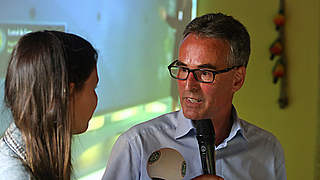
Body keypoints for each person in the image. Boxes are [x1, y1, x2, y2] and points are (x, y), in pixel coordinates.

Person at [102, 13, 286, 180]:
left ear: (237, 80)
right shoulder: (137, 145)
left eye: (205, 73)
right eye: (183, 69)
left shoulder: (267, 149)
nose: (188, 85)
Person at [0, 30, 99, 180]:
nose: (96, 99)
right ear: (68, 93)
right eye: (94, 88)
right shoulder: (16, 175)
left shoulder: (33, 159)